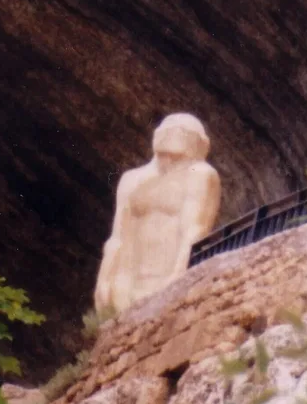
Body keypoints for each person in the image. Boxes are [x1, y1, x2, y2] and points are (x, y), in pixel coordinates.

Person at [93, 113, 221, 313]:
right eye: (169, 131)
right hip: (126, 281)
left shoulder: (200, 174)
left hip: (163, 276)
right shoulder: (132, 179)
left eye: (180, 132)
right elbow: (118, 236)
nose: (172, 135)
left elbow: (194, 230)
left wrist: (177, 277)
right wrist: (105, 278)